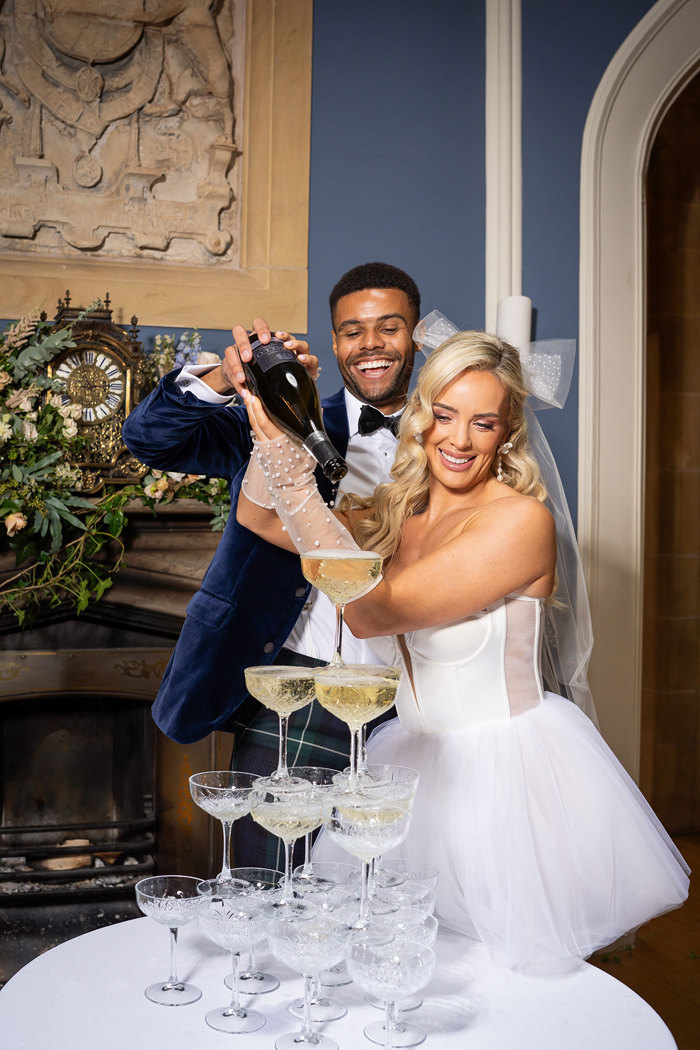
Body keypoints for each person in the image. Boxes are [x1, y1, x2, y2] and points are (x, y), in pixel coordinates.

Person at [236, 327, 690, 972]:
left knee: (502, 972)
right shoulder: (400, 515)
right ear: (422, 416)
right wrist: (272, 427)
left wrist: (294, 473)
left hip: (505, 774)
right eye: (444, 415)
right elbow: (261, 519)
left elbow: (368, 613)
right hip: (414, 764)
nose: (457, 438)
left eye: (482, 423)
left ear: (506, 433)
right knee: (403, 957)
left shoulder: (519, 523)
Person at [121, 262, 421, 869]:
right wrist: (223, 380)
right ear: (334, 342)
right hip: (294, 684)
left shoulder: (451, 436)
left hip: (410, 691)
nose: (370, 344)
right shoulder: (275, 415)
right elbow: (149, 438)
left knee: (393, 874)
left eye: (388, 327)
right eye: (351, 331)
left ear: (414, 335)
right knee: (267, 871)